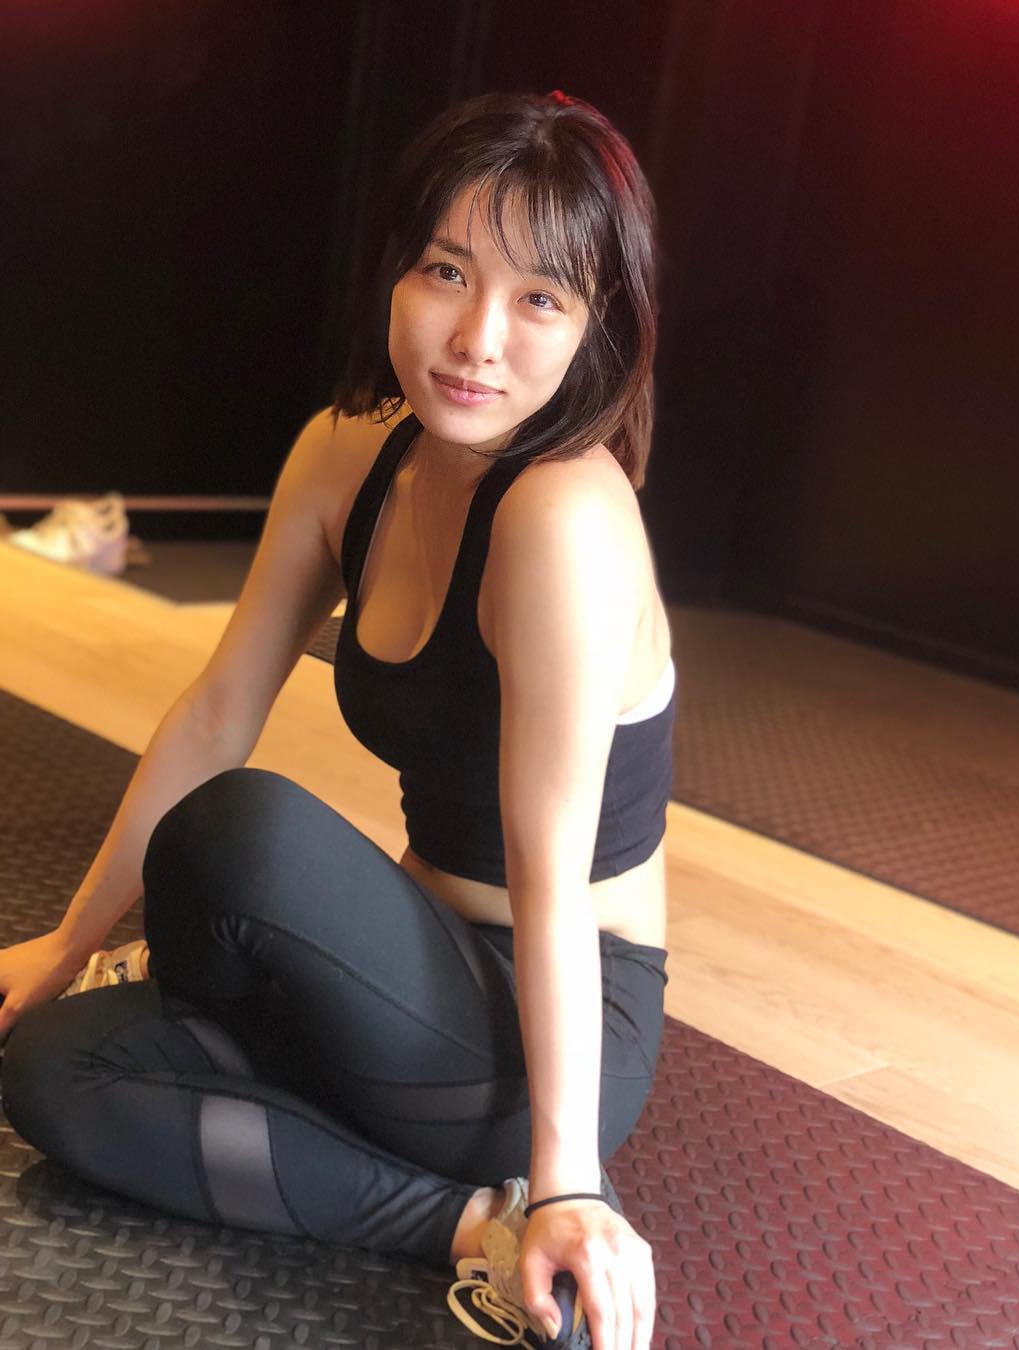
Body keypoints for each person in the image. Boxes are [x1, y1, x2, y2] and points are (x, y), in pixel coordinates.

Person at [0, 90, 675, 1350]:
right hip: (394, 978)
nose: (476, 338)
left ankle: (528, 1197)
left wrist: (572, 1177)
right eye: (447, 272)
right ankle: (472, 1224)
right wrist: (63, 945)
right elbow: (218, 711)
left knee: (243, 833)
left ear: (598, 328)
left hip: (541, 1032)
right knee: (53, 1070)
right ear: (396, 272)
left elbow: (549, 867)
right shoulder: (346, 453)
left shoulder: (564, 517)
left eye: (540, 298)